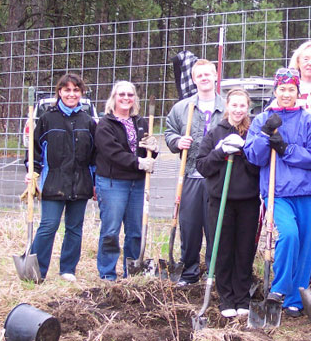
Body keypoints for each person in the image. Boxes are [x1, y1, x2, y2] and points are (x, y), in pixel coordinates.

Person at [244, 68, 311, 318]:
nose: (287, 94)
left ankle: (295, 299)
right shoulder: (260, 120)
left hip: (305, 192)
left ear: (298, 92)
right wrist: (266, 135)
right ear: (275, 90)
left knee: (305, 245)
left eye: (291, 89)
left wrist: (286, 149)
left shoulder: (307, 120)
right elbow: (254, 157)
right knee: (289, 236)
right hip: (277, 193)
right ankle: (279, 289)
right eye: (282, 89)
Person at [270, 39, 311, 280]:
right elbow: (273, 121)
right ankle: (289, 275)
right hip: (289, 168)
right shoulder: (285, 86)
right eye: (306, 58)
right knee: (291, 229)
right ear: (297, 61)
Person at [195, 89, 261, 318]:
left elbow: (258, 168)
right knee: (222, 249)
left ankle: (242, 297)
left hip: (248, 201)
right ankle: (226, 297)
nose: (238, 110)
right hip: (219, 200)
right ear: (227, 106)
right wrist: (220, 151)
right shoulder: (215, 133)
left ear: (247, 108)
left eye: (243, 106)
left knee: (244, 250)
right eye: (234, 105)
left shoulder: (253, 132)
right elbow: (202, 166)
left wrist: (245, 152)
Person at [26, 73, 97, 282]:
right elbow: (34, 150)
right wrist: (32, 171)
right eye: (67, 90)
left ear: (81, 93)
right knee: (48, 226)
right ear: (59, 92)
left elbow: (94, 156)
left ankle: (68, 269)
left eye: (76, 90)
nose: (71, 94)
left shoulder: (88, 122)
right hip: (53, 182)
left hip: (81, 182)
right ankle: (36, 270)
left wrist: (94, 183)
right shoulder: (48, 118)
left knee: (75, 227)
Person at [164, 59, 225, 285]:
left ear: (215, 75)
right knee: (189, 226)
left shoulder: (227, 106)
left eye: (208, 74)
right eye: (199, 75)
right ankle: (189, 271)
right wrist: (178, 141)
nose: (204, 78)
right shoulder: (182, 108)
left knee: (215, 226)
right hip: (190, 175)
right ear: (193, 79)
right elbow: (169, 132)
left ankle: (214, 272)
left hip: (217, 177)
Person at [94, 80, 158, 280]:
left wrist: (153, 150)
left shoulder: (140, 122)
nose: (126, 98)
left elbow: (147, 155)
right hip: (113, 182)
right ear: (114, 98)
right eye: (121, 94)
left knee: (135, 231)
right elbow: (112, 153)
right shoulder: (105, 124)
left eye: (130, 95)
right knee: (111, 230)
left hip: (137, 183)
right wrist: (139, 163)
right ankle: (107, 274)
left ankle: (132, 272)